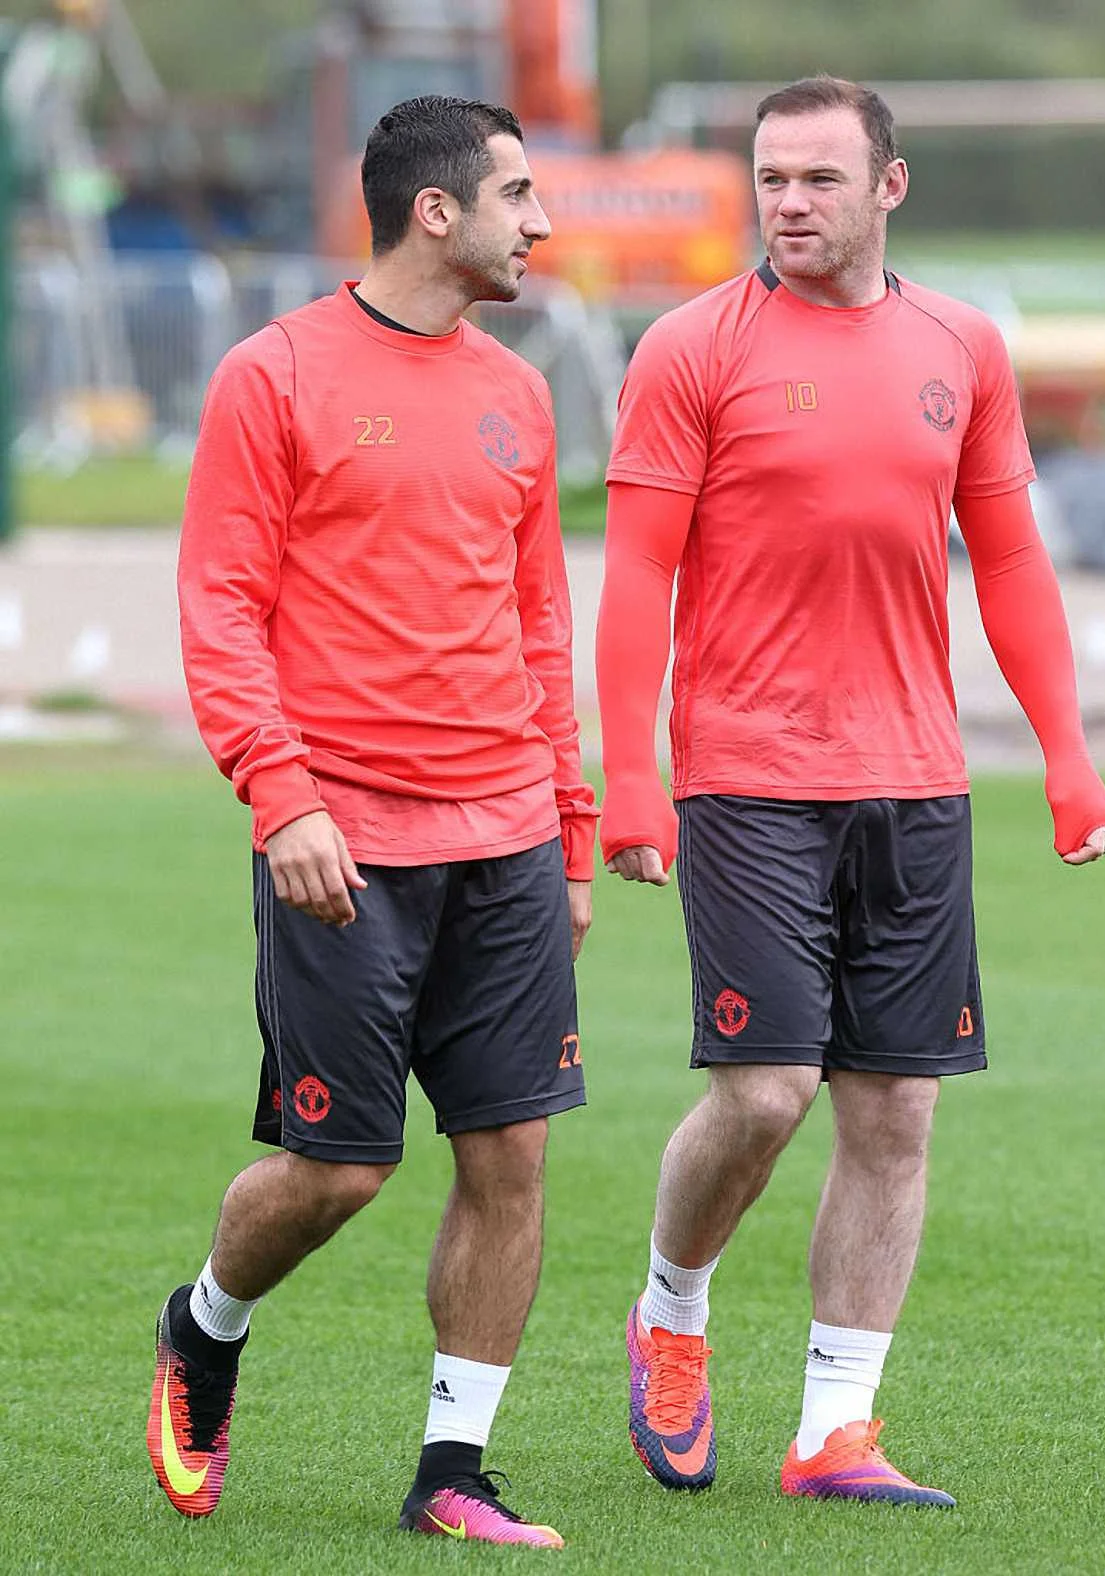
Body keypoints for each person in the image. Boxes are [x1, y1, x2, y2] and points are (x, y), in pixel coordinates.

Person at [595, 75, 1105, 1507]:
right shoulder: (690, 347)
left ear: (889, 186)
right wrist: (629, 773)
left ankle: (835, 1430)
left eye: (819, 179)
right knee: (766, 1095)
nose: (788, 203)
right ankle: (672, 1313)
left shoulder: (964, 346)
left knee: (895, 1118)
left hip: (917, 783)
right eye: (771, 178)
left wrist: (1067, 753)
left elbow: (1008, 559)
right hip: (748, 777)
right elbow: (637, 571)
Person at [147, 95, 597, 1550]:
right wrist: (281, 795)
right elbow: (220, 608)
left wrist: (570, 825)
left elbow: (539, 624)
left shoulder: (518, 391)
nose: (542, 224)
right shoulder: (273, 374)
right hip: (341, 840)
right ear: (435, 210)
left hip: (508, 835)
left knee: (510, 1158)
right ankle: (205, 1324)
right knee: (342, 1167)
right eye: (518, 195)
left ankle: (454, 1470)